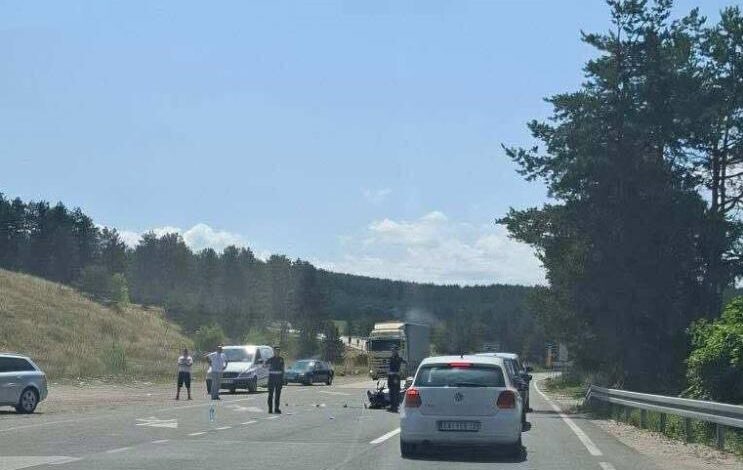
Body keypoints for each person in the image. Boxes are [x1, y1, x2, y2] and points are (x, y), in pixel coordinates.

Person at [265, 345, 285, 414]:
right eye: (276, 351)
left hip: (279, 379)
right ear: (274, 352)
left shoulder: (281, 359)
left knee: (277, 395)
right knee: (270, 395)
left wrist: (283, 379)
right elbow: (264, 365)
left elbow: (283, 369)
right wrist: (265, 364)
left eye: (278, 351)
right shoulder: (270, 359)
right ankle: (270, 409)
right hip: (271, 379)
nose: (277, 352)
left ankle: (276, 408)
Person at [387, 346, 406, 412]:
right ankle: (392, 405)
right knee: (391, 391)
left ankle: (395, 406)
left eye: (394, 350)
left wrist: (400, 372)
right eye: (392, 350)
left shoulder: (398, 358)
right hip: (390, 376)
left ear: (396, 351)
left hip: (395, 376)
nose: (392, 352)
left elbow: (404, 363)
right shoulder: (391, 358)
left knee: (395, 391)